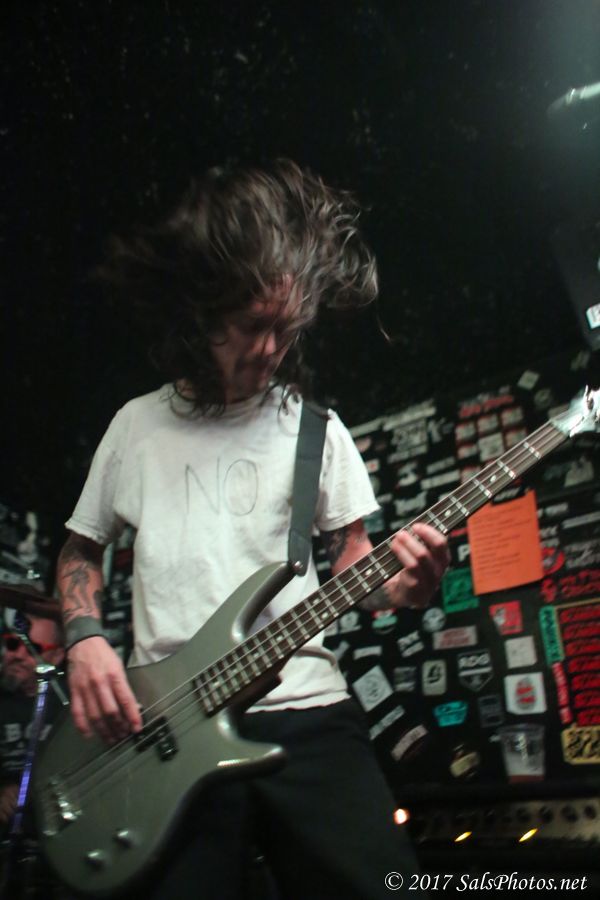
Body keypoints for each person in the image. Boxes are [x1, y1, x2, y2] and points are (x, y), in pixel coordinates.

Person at [55, 160, 450, 899]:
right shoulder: (134, 428)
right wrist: (83, 641)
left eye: (286, 329)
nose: (271, 349)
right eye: (252, 326)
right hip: (167, 729)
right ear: (203, 315)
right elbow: (81, 552)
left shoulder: (316, 431)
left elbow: (357, 565)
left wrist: (406, 587)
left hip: (308, 713)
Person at [0, 613, 64, 830]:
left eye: (32, 648)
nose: (17, 655)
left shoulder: (71, 705)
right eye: (12, 643)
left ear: (57, 656)